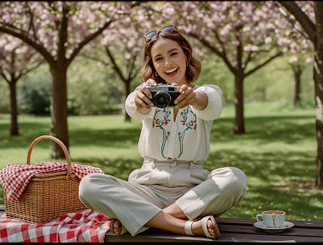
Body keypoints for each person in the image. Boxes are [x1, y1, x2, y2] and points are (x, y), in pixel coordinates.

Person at [79, 25, 248, 239]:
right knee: (89, 184)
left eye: (173, 54)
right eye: (158, 59)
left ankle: (148, 221)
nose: (167, 64)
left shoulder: (206, 93)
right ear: (153, 65)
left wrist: (194, 98)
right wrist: (141, 99)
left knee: (235, 179)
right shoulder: (148, 95)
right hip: (147, 190)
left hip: (193, 191)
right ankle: (184, 226)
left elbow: (211, 102)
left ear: (186, 54)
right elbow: (133, 106)